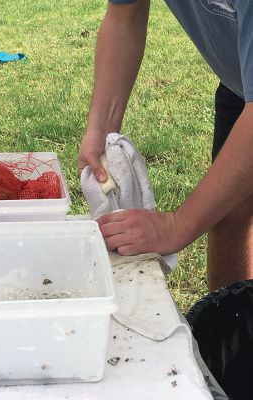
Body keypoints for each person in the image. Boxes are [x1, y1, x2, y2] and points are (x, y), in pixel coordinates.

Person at [78, 0, 253, 292]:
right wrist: (101, 129)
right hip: (241, 88)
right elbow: (125, 14)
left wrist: (177, 226)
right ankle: (230, 328)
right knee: (228, 213)